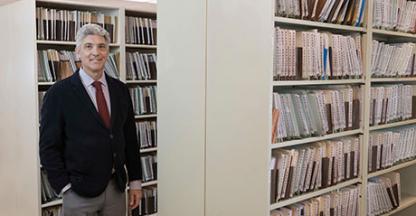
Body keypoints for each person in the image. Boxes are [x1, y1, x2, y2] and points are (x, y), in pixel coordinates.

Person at [39, 23, 142, 216]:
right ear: (78, 52)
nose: (96, 52)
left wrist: (135, 180)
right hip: (78, 192)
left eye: (101, 46)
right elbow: (48, 147)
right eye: (88, 46)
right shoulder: (58, 93)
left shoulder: (120, 90)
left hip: (116, 189)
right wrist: (65, 187)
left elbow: (130, 139)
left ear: (107, 52)